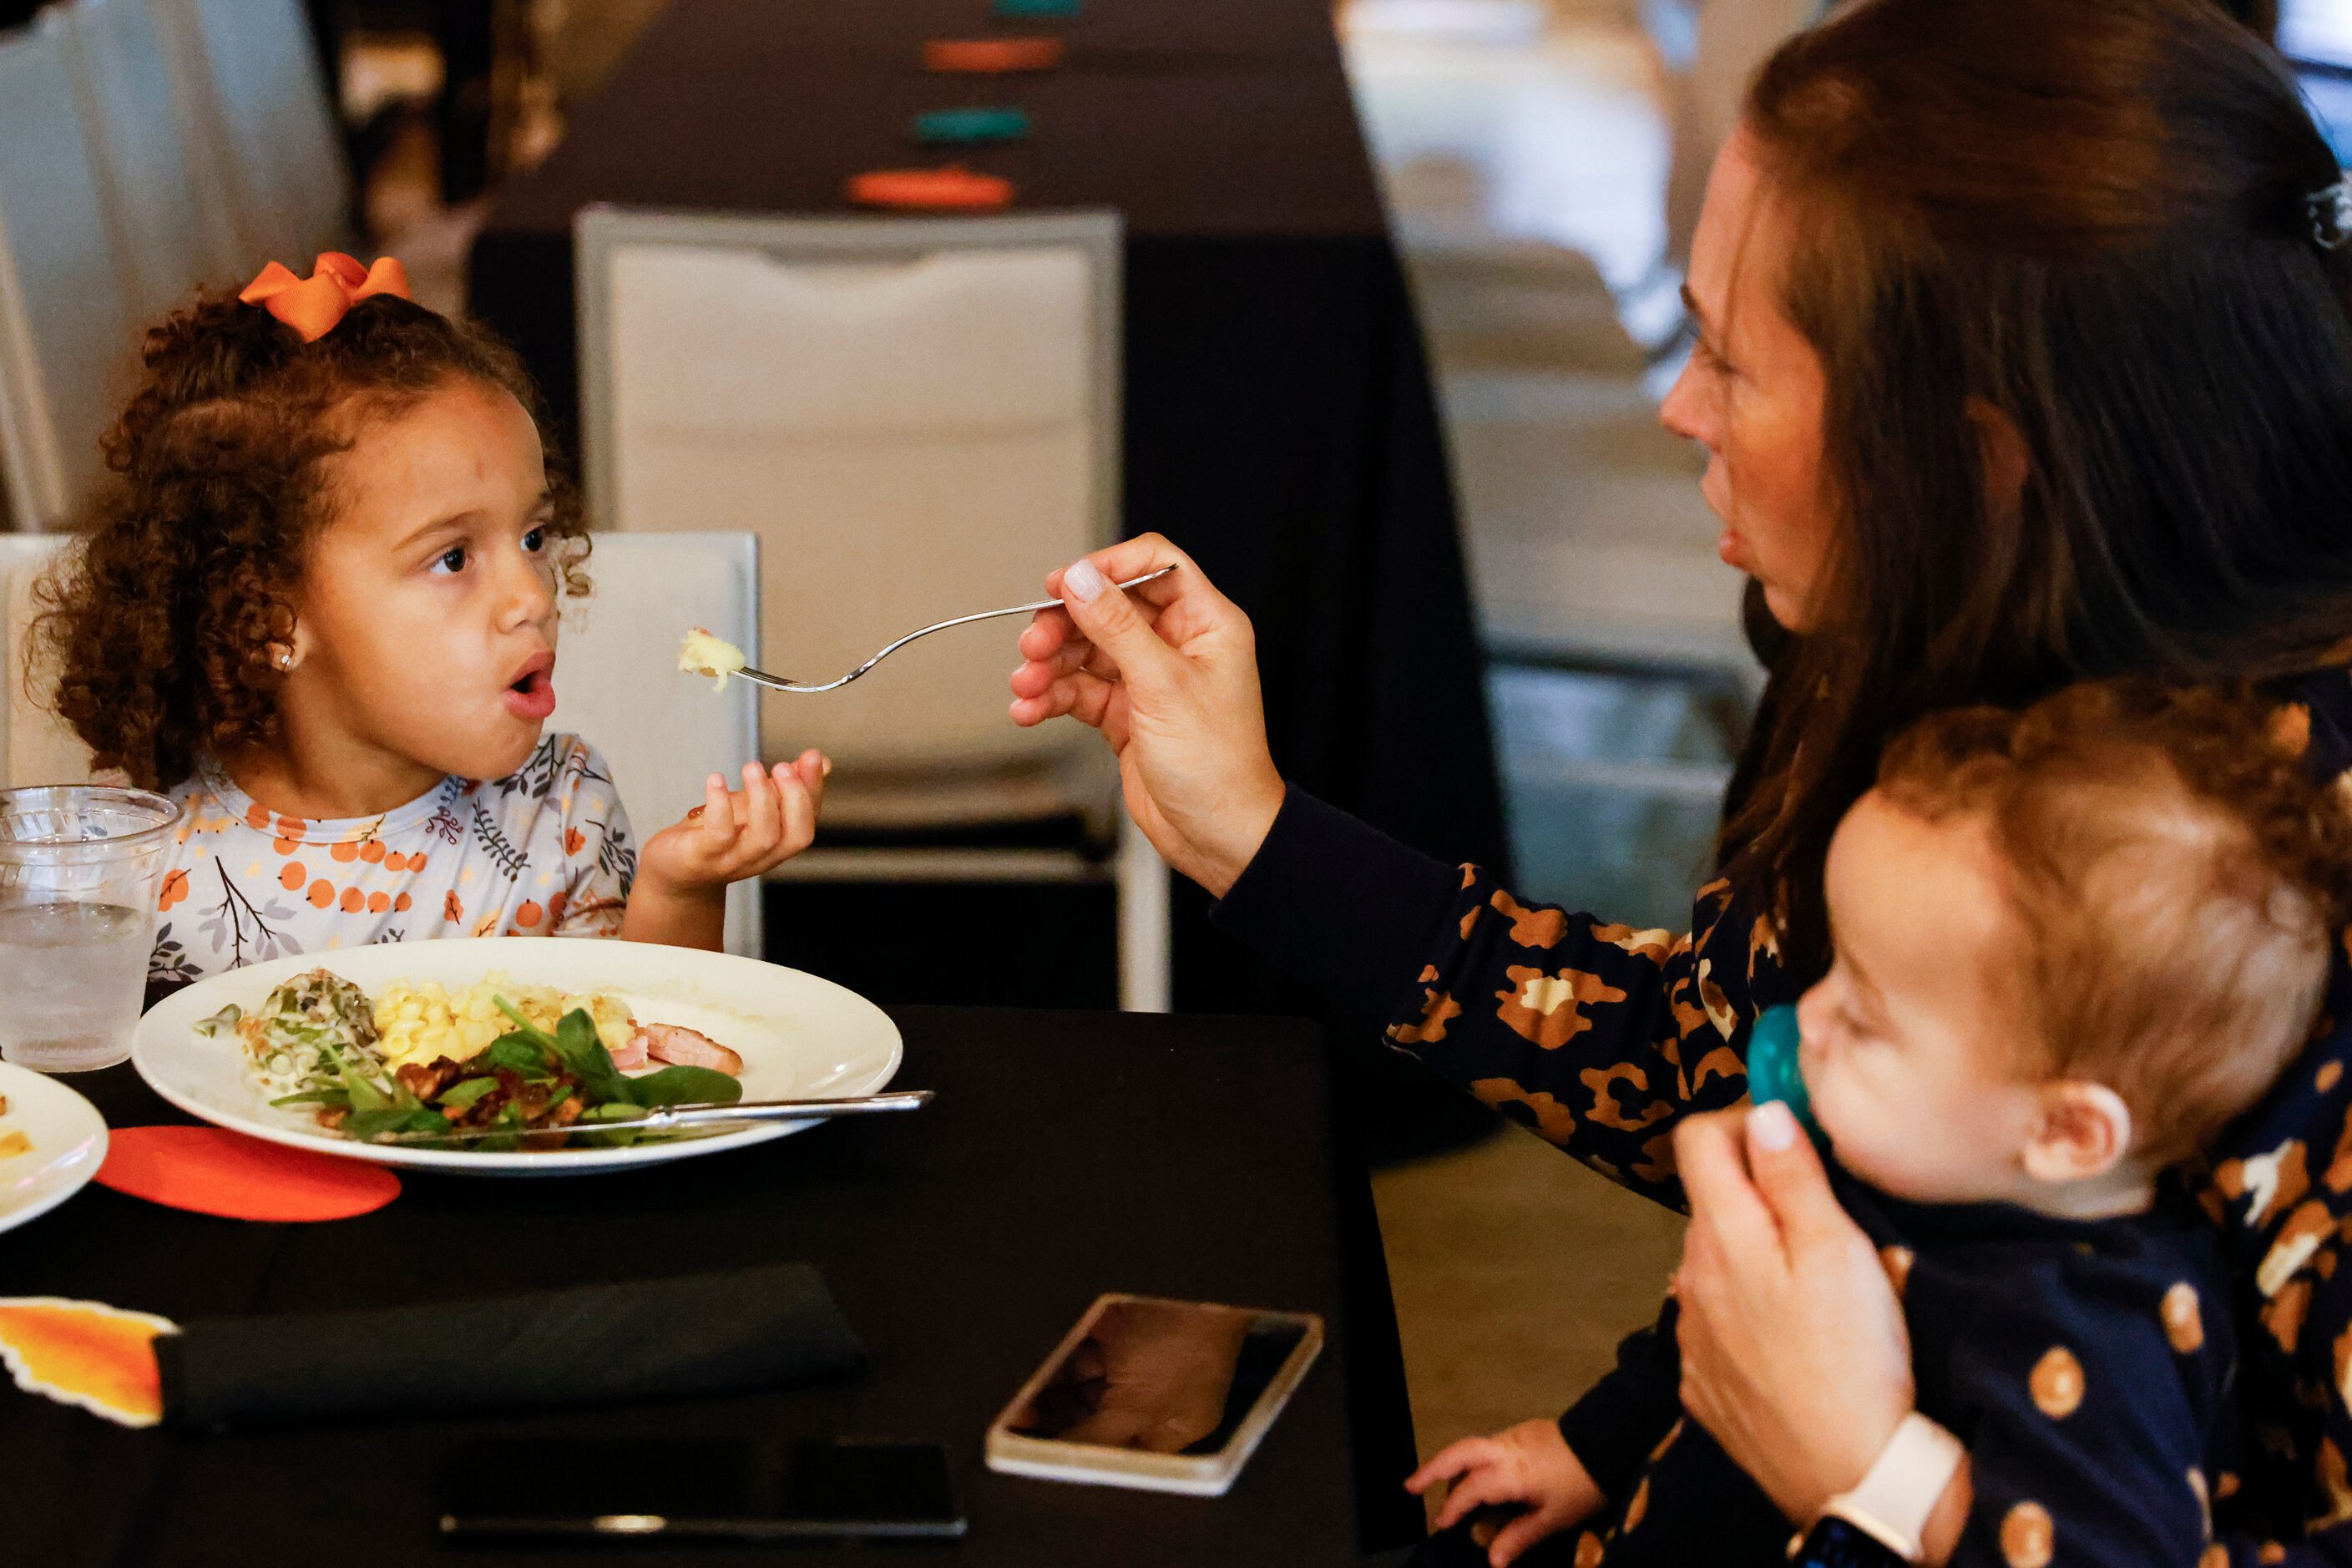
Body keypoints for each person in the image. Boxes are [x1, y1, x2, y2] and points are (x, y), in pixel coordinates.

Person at [1007, 0, 2352, 1559]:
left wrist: (1872, 1472)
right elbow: (1744, 1065)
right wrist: (1255, 829)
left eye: (1726, 357)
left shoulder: (2288, 880)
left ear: (1973, 467)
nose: (1676, 408)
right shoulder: (1903, 637)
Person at [1404, 680, 2349, 1566]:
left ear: (2064, 1134)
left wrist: (1893, 1477)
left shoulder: (2101, 1333)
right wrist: (1588, 1451)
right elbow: (1715, 1331)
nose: (1805, 1019)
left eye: (1865, 1019)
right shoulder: (1890, 1157)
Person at [33, 255, 824, 981]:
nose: (535, 598)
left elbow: (635, 1062)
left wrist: (682, 891)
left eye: (534, 537)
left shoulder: (561, 812)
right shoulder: (150, 866)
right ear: (267, 620)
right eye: (452, 558)